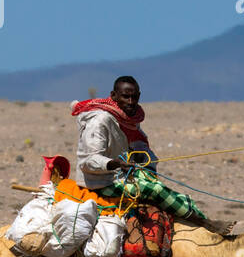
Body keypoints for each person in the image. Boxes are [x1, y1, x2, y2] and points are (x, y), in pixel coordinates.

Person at [71, 76, 233, 237]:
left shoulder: (128, 119)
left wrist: (143, 161)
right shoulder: (100, 121)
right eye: (125, 97)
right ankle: (206, 224)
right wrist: (116, 164)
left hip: (117, 174)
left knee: (158, 183)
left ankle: (193, 216)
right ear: (114, 96)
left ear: (139, 96)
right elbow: (88, 161)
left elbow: (139, 145)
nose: (130, 101)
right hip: (100, 182)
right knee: (156, 189)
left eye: (134, 97)